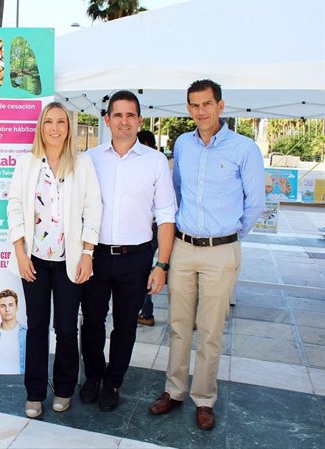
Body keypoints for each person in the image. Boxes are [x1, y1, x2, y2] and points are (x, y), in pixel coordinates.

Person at [149, 79, 265, 430]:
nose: (201, 111)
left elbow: (255, 203)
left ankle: (204, 398)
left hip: (221, 251)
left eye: (207, 104)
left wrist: (229, 235)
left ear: (220, 106)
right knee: (180, 326)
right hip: (184, 248)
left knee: (211, 330)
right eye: (194, 105)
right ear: (188, 109)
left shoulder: (244, 149)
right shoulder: (183, 144)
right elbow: (179, 191)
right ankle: (175, 390)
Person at [80, 91, 177, 412]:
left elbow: (165, 214)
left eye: (130, 115)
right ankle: (93, 376)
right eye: (117, 115)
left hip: (136, 258)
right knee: (92, 322)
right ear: (107, 120)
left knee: (126, 325)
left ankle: (113, 381)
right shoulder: (88, 159)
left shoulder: (155, 162)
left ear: (139, 120)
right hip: (95, 255)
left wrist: (161, 264)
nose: (124, 121)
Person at [7, 101, 102, 418]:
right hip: (33, 260)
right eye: (49, 121)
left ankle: (63, 389)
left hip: (70, 261)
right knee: (36, 327)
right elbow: (15, 209)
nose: (55, 128)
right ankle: (34, 393)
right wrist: (20, 254)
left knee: (65, 327)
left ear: (69, 127)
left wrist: (88, 253)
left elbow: (93, 210)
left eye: (61, 122)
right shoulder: (27, 164)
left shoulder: (83, 164)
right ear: (41, 126)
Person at [136, 130, 160, 327]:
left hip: (150, 230)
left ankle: (146, 312)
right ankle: (146, 311)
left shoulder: (154, 164)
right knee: (144, 272)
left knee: (144, 272)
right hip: (154, 228)